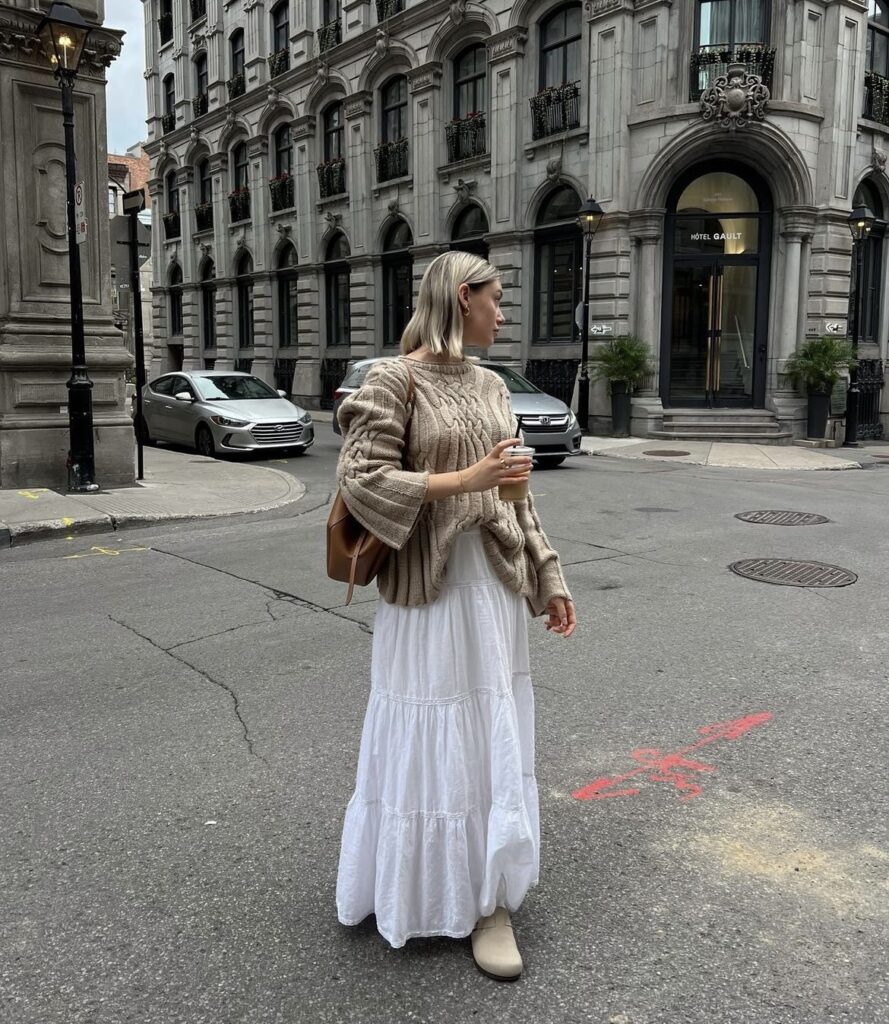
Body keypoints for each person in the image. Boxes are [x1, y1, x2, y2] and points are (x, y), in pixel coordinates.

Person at [334, 250, 577, 981]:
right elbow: (360, 478)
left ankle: (487, 900)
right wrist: (462, 479)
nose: (503, 313)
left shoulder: (491, 384)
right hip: (427, 590)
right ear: (460, 297)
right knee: (429, 727)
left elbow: (515, 494)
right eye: (496, 299)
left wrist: (548, 575)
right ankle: (412, 884)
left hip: (493, 586)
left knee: (489, 730)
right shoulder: (392, 378)